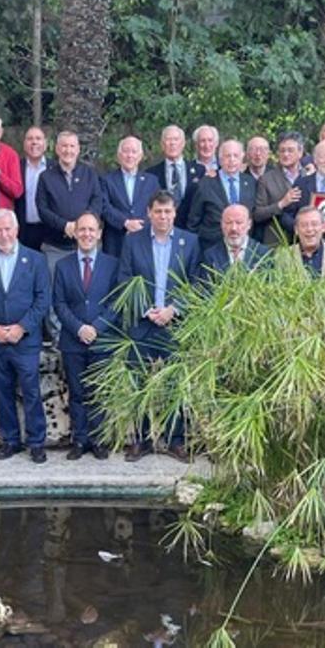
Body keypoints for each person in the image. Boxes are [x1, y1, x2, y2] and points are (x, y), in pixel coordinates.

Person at [117, 191, 200, 462]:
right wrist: (146, 310)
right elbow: (124, 279)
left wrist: (173, 309)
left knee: (174, 383)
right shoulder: (133, 241)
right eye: (158, 212)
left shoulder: (190, 242)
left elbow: (196, 283)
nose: (163, 217)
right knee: (140, 382)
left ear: (175, 213)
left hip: (175, 323)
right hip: (142, 324)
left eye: (168, 212)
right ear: (149, 213)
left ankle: (175, 440)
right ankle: (142, 441)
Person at [0, 209, 52, 464]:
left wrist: (22, 327)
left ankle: (37, 442)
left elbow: (43, 299)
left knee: (31, 392)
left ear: (16, 230)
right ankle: (10, 441)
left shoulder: (36, 259)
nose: (3, 234)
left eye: (8, 228)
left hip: (25, 340)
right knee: (3, 392)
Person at [51, 212, 119, 460]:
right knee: (78, 392)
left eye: (92, 230)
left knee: (100, 392)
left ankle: (99, 440)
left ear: (100, 234)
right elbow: (59, 303)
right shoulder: (62, 265)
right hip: (73, 340)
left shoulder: (112, 264)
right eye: (82, 230)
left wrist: (97, 327)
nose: (87, 234)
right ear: (75, 233)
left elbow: (116, 302)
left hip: (102, 340)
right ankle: (80, 441)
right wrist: (79, 328)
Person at [36, 130, 105, 274]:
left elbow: (97, 201)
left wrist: (82, 225)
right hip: (55, 247)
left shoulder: (90, 174)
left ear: (78, 149)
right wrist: (64, 225)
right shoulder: (45, 177)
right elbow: (42, 209)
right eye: (64, 146)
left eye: (72, 146)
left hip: (87, 246)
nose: (68, 150)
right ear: (57, 149)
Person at [189, 139, 258, 251]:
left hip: (244, 249)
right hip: (212, 248)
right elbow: (194, 221)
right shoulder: (205, 184)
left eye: (235, 156)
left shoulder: (250, 182)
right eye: (227, 156)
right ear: (220, 159)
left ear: (242, 157)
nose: (232, 160)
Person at [101, 135, 160, 257]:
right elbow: (104, 206)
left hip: (145, 240)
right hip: (115, 243)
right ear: (119, 155)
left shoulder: (152, 181)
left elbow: (157, 207)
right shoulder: (107, 180)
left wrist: (141, 226)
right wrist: (125, 222)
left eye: (134, 151)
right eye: (126, 151)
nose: (130, 155)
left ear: (140, 156)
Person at [146, 125, 205, 228]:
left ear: (183, 144)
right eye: (168, 140)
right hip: (163, 228)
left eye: (176, 139)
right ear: (162, 145)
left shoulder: (200, 171)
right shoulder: (151, 173)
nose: (172, 143)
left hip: (192, 229)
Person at [252, 131, 304, 246]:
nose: (285, 154)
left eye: (290, 150)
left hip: (306, 244)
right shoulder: (266, 179)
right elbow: (257, 214)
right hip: (277, 243)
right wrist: (281, 204)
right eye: (282, 150)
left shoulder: (310, 175)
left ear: (300, 152)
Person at [201, 204, 271, 279]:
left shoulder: (263, 254)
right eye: (228, 222)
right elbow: (205, 288)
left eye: (239, 222)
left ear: (249, 224)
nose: (233, 228)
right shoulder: (211, 255)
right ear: (221, 224)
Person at [17, 125, 50, 250]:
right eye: (30, 139)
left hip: (49, 231)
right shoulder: (16, 167)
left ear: (45, 143)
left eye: (38, 138)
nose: (34, 142)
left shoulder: (55, 168)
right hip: (23, 230)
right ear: (24, 144)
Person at [290, 205, 325, 277]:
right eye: (304, 225)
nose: (309, 229)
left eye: (314, 224)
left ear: (323, 227)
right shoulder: (285, 255)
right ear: (296, 229)